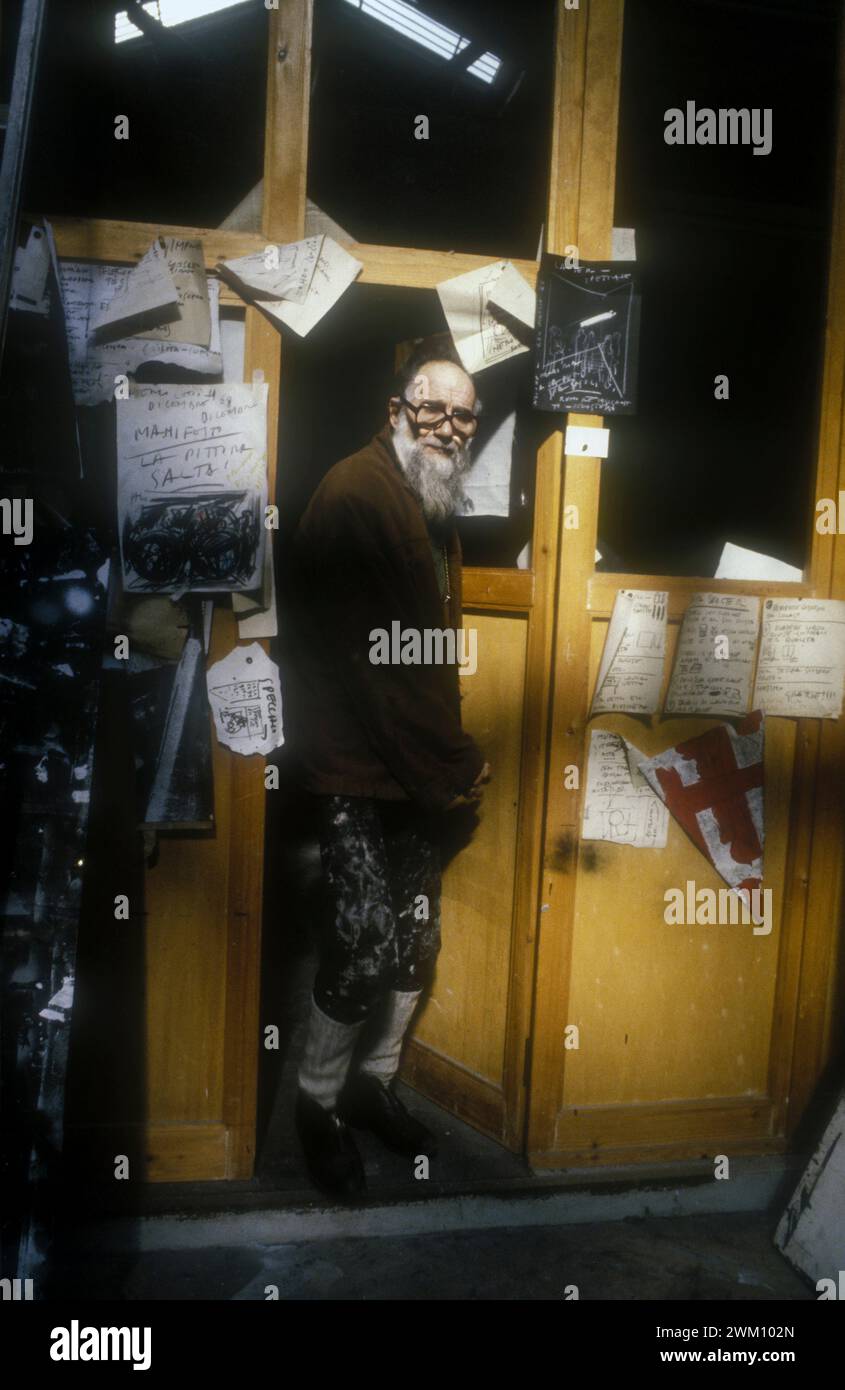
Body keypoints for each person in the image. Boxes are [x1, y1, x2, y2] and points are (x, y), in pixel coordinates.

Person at [282, 339, 491, 1199]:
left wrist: (438, 762)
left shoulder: (425, 498)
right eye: (431, 409)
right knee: (365, 942)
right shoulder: (355, 492)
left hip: (410, 764)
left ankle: (373, 1085)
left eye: (463, 416)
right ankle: (317, 1103)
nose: (447, 427)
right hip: (353, 767)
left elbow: (424, 654)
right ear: (397, 412)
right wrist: (451, 765)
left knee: (414, 940)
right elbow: (376, 667)